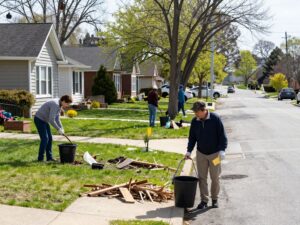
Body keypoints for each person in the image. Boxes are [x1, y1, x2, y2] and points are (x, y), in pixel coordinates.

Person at [185, 101, 227, 209]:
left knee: (215, 177)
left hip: (215, 154)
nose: (195, 114)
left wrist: (222, 150)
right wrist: (189, 151)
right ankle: (204, 200)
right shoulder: (195, 121)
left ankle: (214, 199)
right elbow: (192, 138)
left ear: (203, 110)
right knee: (202, 178)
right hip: (201, 154)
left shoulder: (215, 119)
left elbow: (222, 136)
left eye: (197, 112)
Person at [34, 95, 73, 161]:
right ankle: (40, 159)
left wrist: (61, 128)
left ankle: (49, 158)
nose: (67, 105)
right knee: (45, 139)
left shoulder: (59, 104)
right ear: (63, 101)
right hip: (39, 119)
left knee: (50, 138)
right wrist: (58, 129)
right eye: (67, 103)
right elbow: (51, 120)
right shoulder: (55, 105)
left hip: (45, 120)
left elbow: (57, 118)